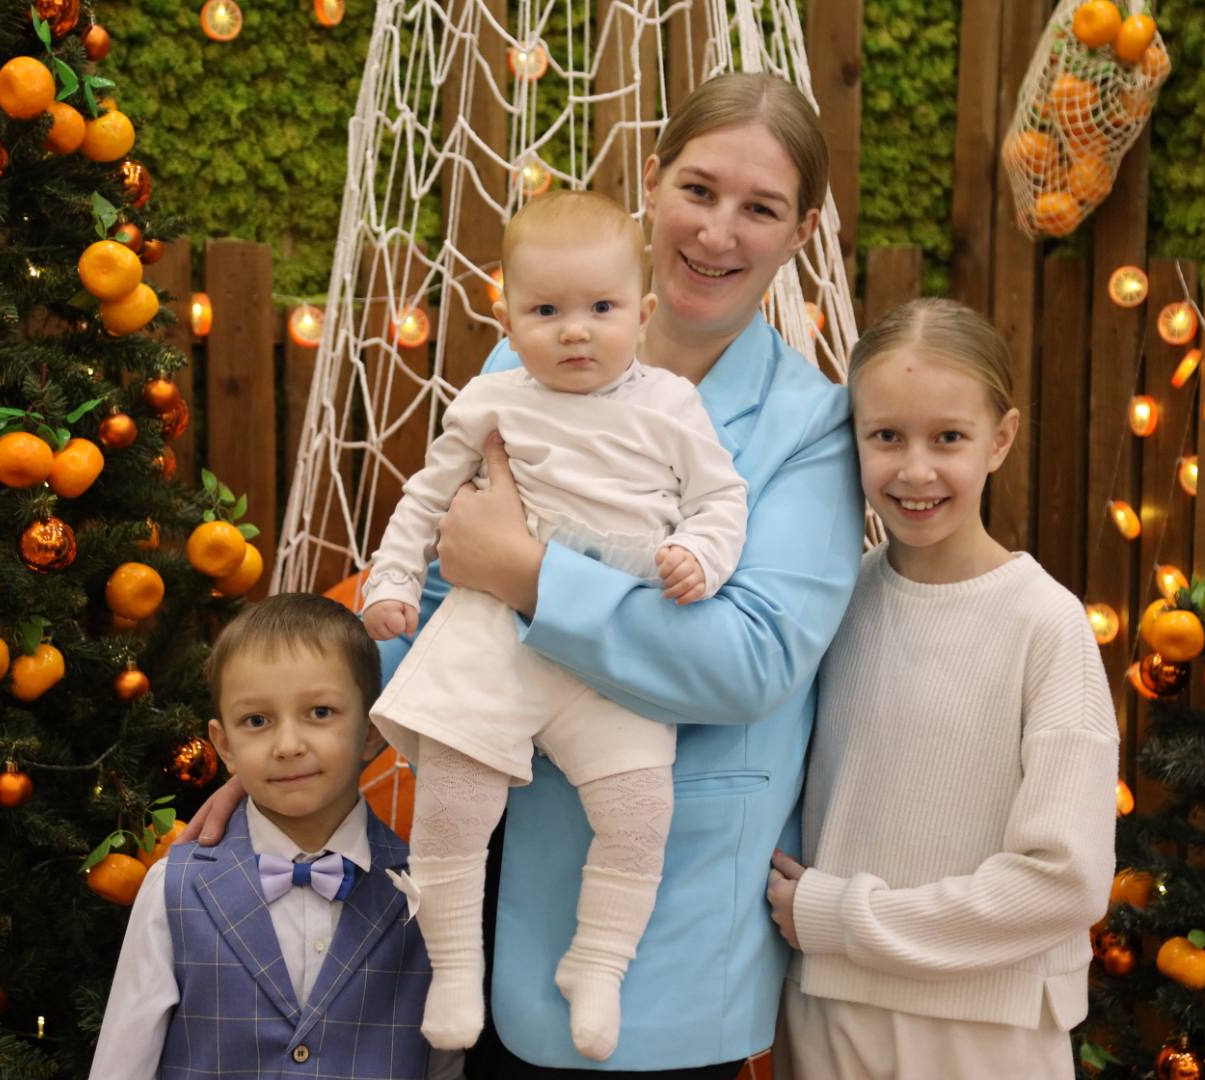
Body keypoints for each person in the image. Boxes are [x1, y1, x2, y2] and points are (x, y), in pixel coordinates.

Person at [186, 70, 865, 1077]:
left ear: (802, 231)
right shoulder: (519, 370)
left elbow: (751, 662)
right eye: (698, 189)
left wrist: (533, 575)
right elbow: (433, 606)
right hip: (483, 891)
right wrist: (291, 752)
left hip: (663, 933)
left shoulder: (811, 427)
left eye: (760, 208)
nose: (718, 231)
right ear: (652, 180)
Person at [358, 190, 749, 1061]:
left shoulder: (672, 404)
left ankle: (598, 963)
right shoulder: (492, 399)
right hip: (495, 629)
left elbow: (722, 499)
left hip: (615, 642)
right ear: (506, 318)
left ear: (642, 314)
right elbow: (425, 499)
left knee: (640, 810)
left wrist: (700, 553)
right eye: (545, 311)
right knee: (454, 796)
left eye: (601, 308)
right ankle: (454, 966)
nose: (575, 331)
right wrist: (392, 579)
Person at [766, 299, 1119, 1079]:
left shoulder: (1046, 625)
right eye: (886, 436)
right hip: (826, 1018)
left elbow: (1065, 883)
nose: (915, 470)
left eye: (948, 438)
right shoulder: (831, 602)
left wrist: (842, 916)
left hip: (985, 1035)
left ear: (1001, 439)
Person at [90, 593, 463, 1080]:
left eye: (320, 712)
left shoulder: (427, 895)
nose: (288, 746)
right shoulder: (172, 890)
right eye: (257, 721)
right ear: (225, 745)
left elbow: (444, 1066)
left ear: (372, 731)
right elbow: (121, 1065)